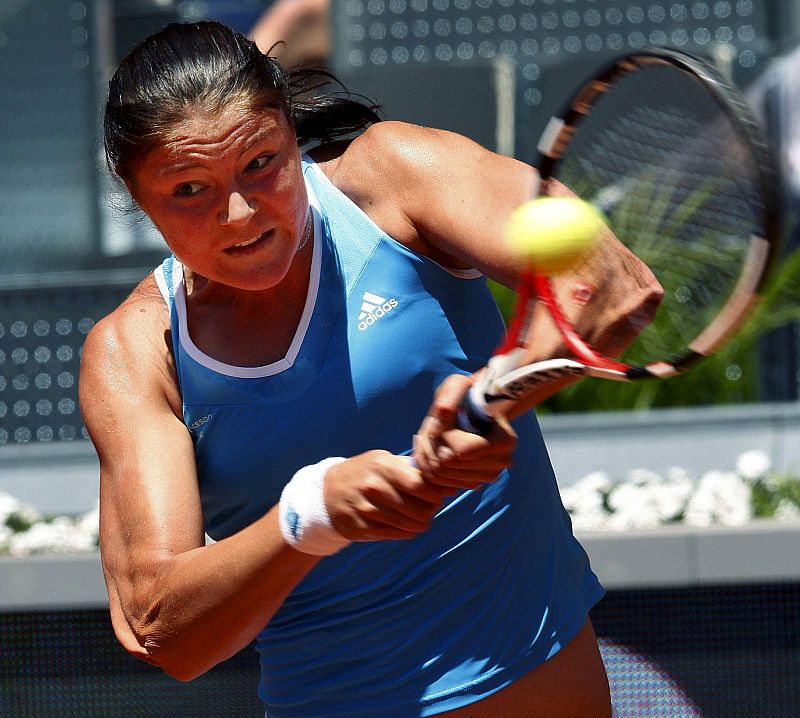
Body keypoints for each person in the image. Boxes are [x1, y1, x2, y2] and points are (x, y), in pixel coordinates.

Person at [79, 20, 616, 717]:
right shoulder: (131, 351)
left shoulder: (394, 178)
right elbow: (161, 628)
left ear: (290, 133)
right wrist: (312, 514)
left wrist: (491, 398)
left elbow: (607, 280)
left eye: (260, 162)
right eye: (189, 190)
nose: (239, 213)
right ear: (137, 197)